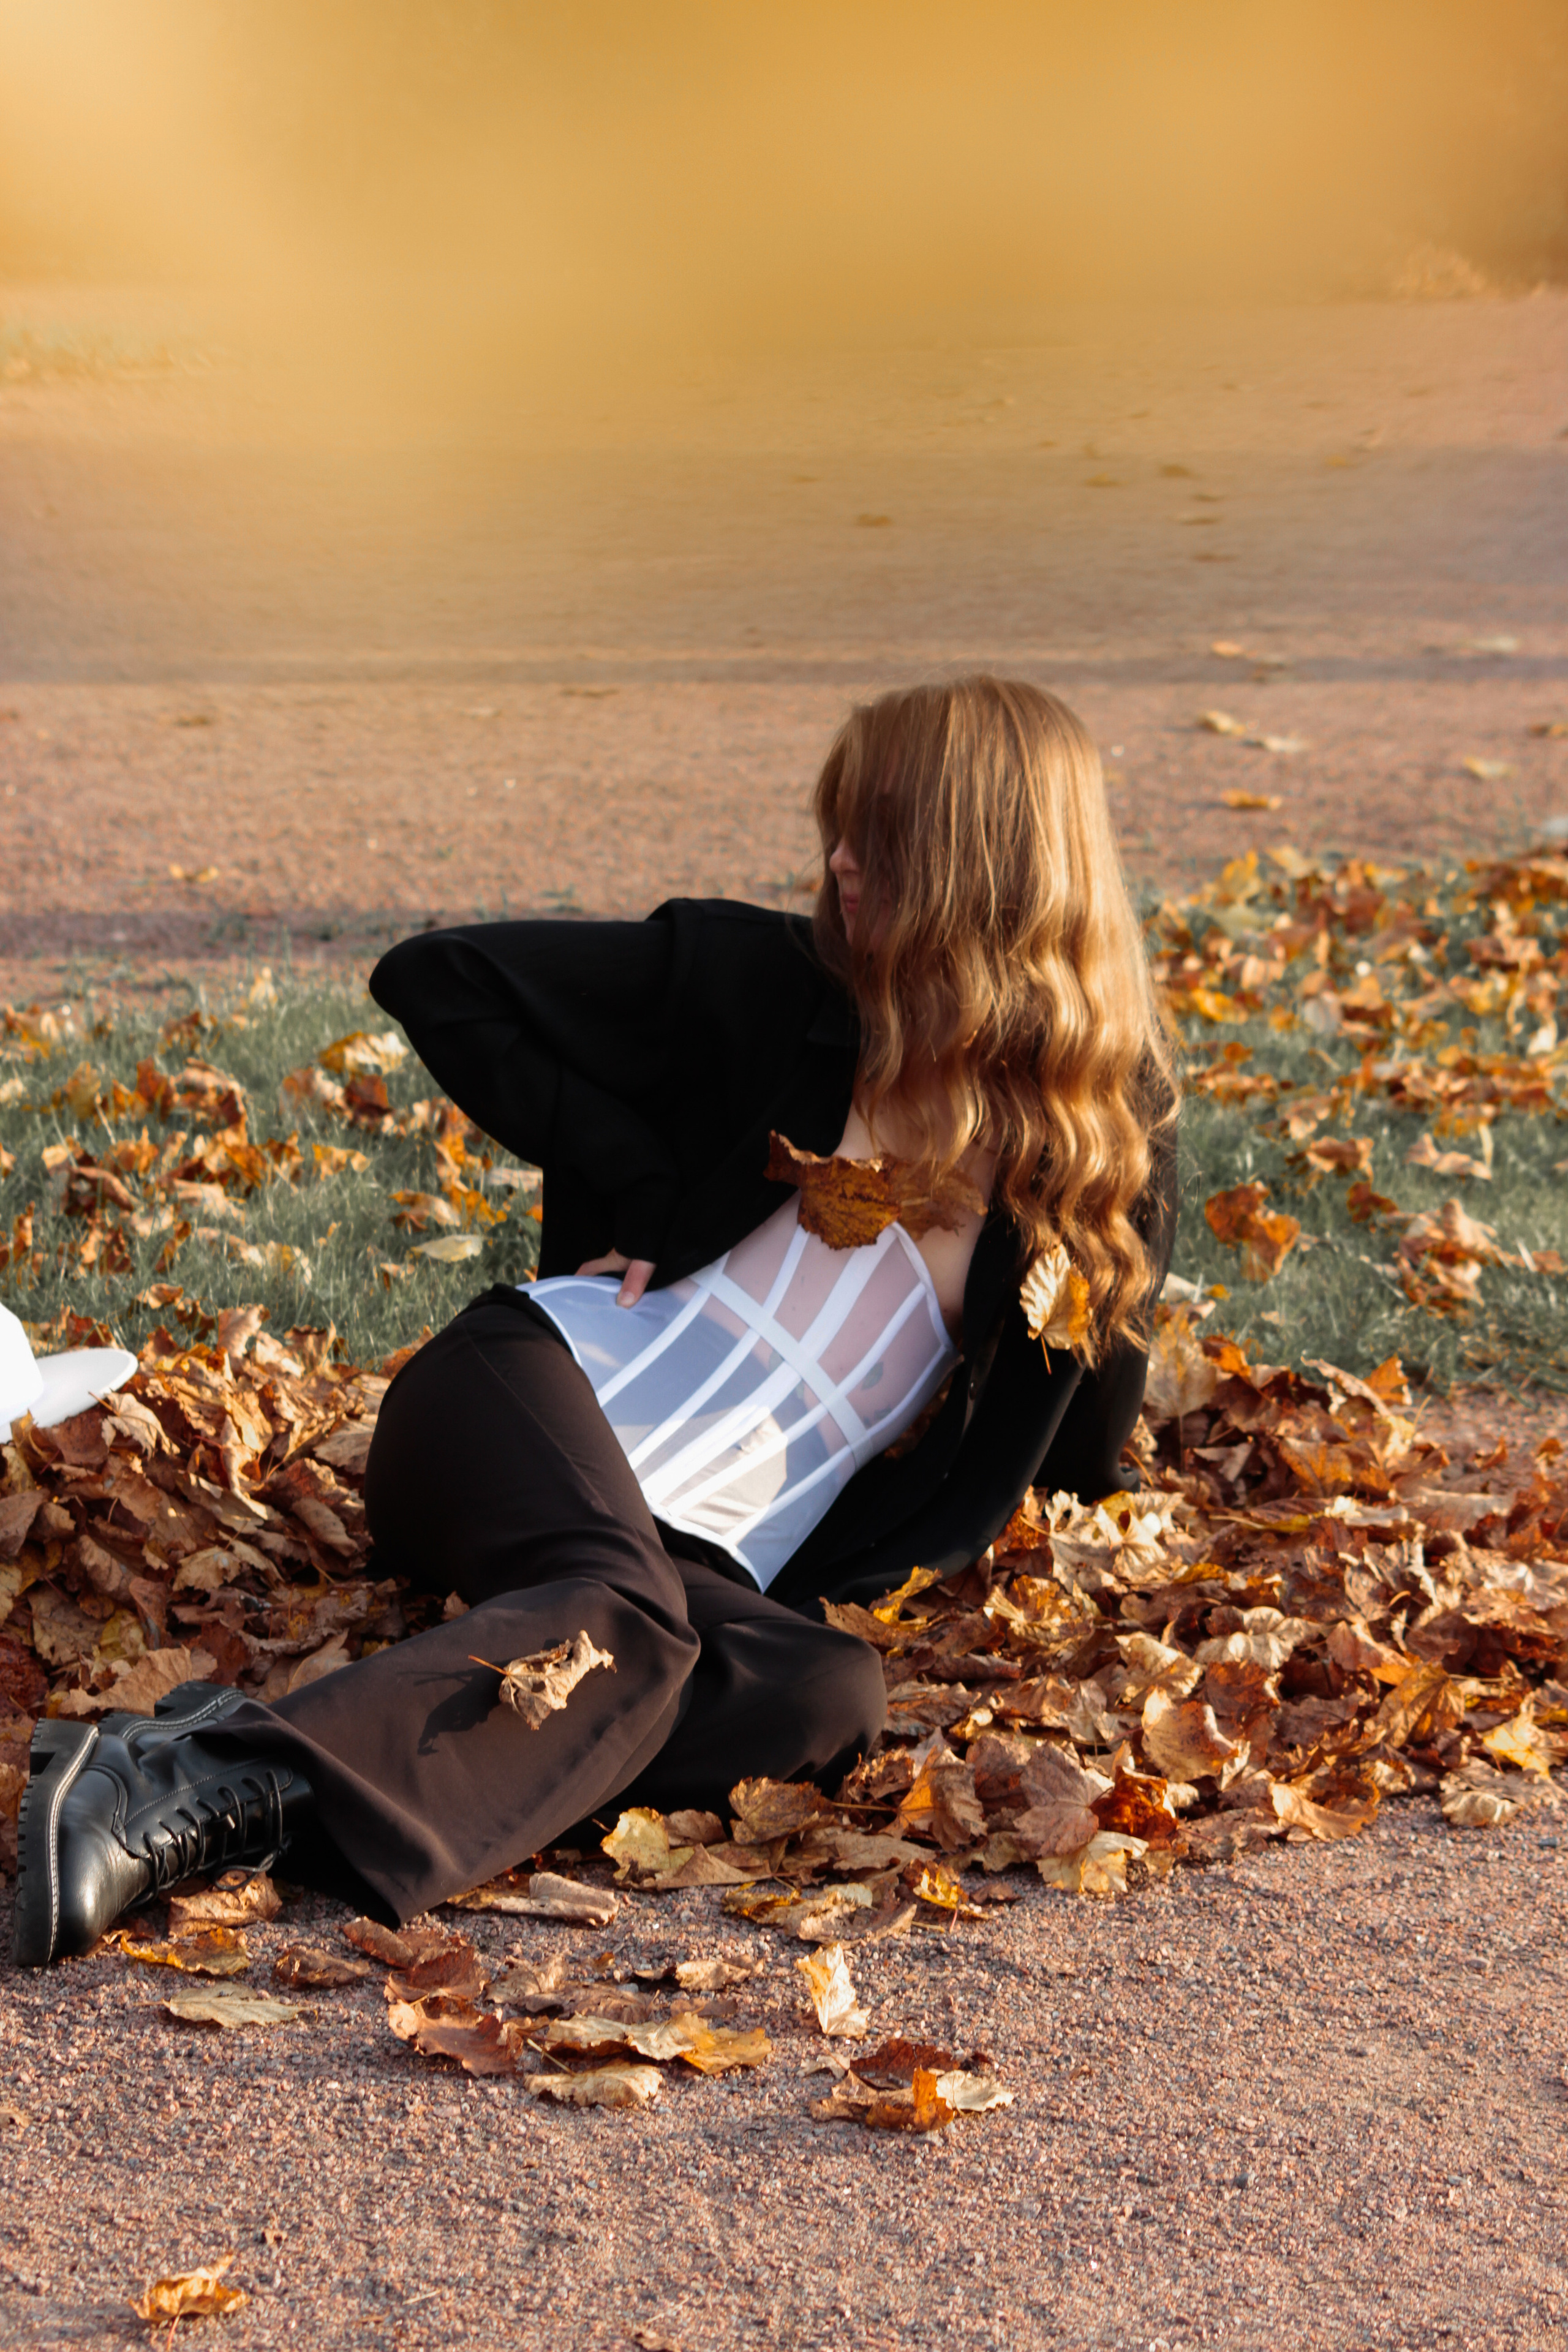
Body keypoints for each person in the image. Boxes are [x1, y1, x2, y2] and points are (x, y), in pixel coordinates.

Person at [13, 677, 1178, 1968]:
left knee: (822, 1693)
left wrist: (1101, 1498)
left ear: (991, 852)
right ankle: (191, 1782)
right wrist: (644, 1193)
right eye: (839, 822)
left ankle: (210, 1786)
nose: (840, 857)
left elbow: (1074, 1430)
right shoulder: (762, 981)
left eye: (883, 828)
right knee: (624, 1607)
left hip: (684, 1571)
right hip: (520, 1395)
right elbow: (441, 978)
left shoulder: (1098, 1157)